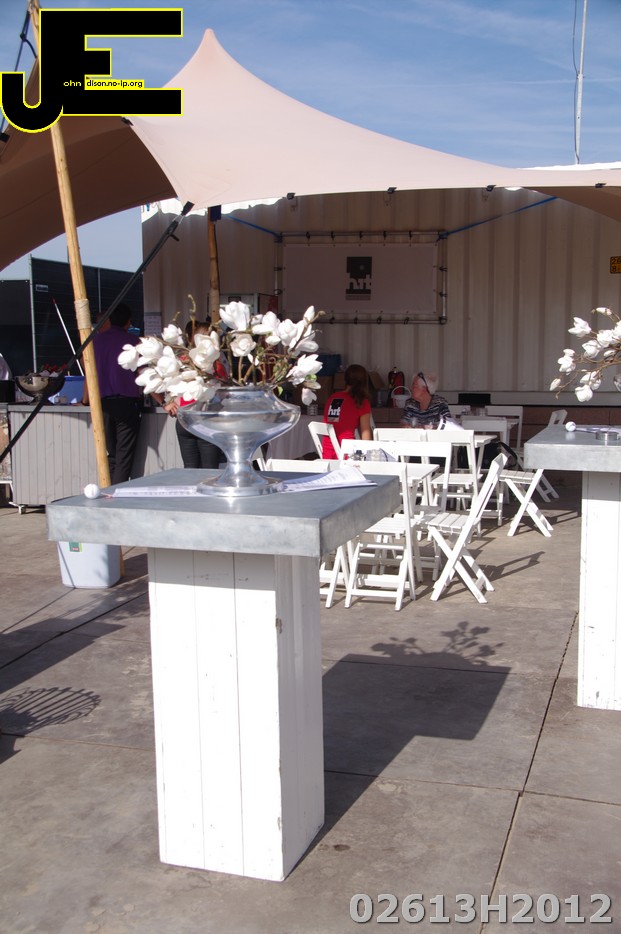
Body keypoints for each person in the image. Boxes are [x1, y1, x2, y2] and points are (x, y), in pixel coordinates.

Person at [85, 303, 143, 484]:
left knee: (111, 452)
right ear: (128, 322)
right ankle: (117, 491)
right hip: (126, 403)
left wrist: (85, 399)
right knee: (123, 454)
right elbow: (143, 374)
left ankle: (108, 489)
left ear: (108, 319)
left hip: (102, 403)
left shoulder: (94, 342)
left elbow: (89, 373)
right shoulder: (133, 342)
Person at [160, 320, 221, 469]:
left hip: (186, 418)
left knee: (191, 470)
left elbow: (162, 379)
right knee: (209, 471)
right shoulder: (214, 361)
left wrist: (167, 402)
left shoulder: (181, 359)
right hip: (205, 418)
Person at [321, 364, 372, 458]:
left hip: (327, 453)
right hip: (347, 453)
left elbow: (335, 423)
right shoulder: (361, 401)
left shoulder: (333, 398)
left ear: (346, 379)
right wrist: (369, 456)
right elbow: (365, 433)